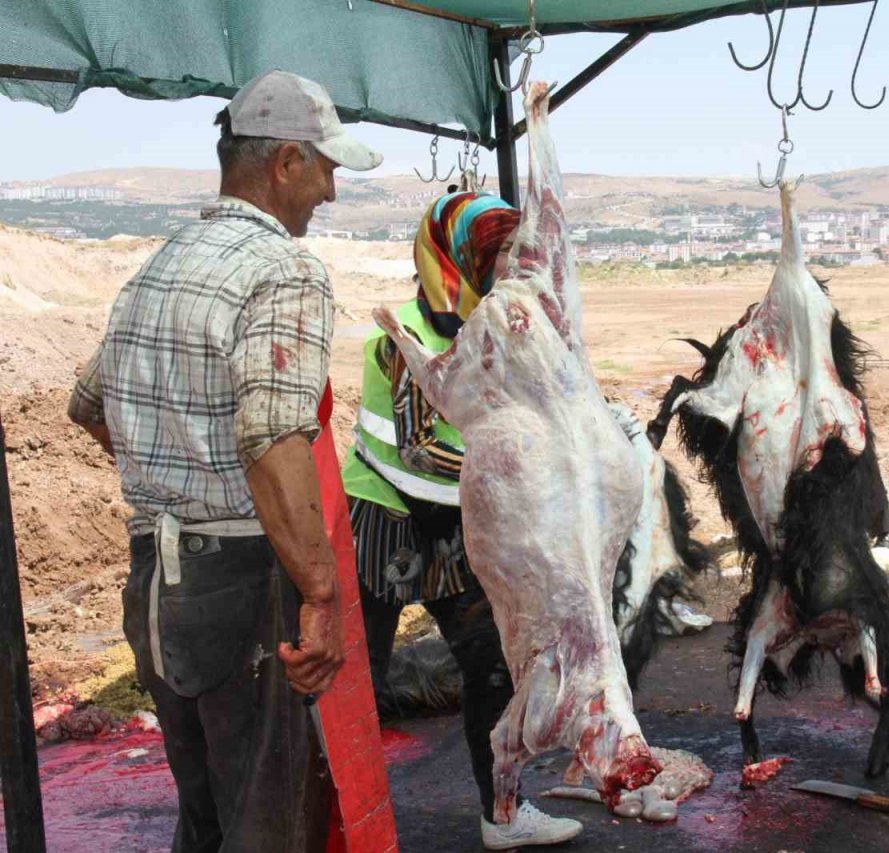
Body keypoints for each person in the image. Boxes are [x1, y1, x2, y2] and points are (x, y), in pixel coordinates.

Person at [67, 69, 382, 852]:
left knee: (206, 816)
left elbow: (88, 404)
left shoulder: (162, 264)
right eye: (326, 168)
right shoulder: (286, 269)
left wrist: (174, 472)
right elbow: (274, 438)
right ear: (284, 163)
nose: (332, 192)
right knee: (269, 822)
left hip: (156, 587)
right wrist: (318, 593)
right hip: (242, 584)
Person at [342, 190, 583, 850]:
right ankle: (328, 824)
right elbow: (420, 450)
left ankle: (503, 813)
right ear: (459, 259)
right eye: (499, 255)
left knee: (493, 669)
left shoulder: (492, 335)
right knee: (354, 683)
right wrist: (530, 467)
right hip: (384, 526)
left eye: (515, 254)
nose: (511, 268)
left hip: (454, 526)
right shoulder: (403, 340)